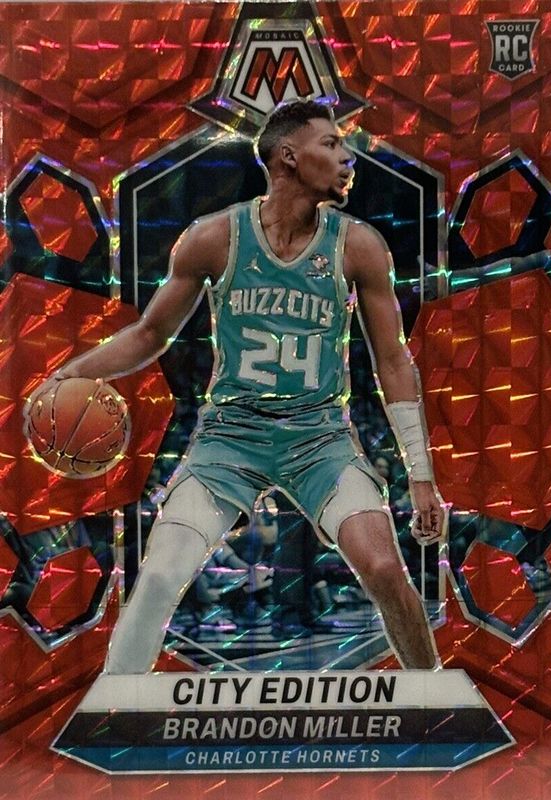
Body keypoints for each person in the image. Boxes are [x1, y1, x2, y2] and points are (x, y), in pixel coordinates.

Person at [33, 99, 445, 672]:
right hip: (230, 438)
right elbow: (151, 333)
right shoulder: (215, 238)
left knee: (382, 566)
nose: (348, 157)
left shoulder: (358, 245)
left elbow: (393, 362)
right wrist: (73, 372)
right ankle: (112, 704)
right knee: (159, 575)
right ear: (288, 156)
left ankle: (434, 693)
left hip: (320, 438)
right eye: (331, 144)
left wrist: (421, 476)